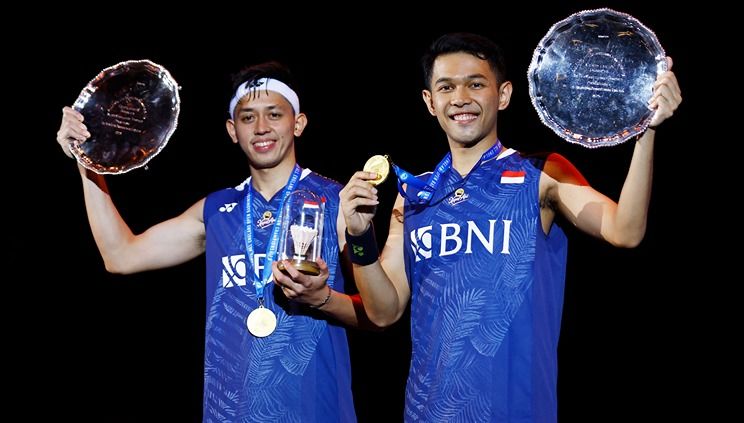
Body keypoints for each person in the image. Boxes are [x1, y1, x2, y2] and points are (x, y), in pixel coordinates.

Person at [339, 32, 681, 422]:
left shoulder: (541, 173)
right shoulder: (413, 194)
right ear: (429, 102)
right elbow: (384, 312)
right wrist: (359, 236)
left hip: (518, 410)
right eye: (446, 87)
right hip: (427, 413)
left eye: (476, 84)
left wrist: (646, 133)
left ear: (502, 95)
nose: (461, 98)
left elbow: (626, 230)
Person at [56, 61, 368, 422]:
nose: (261, 127)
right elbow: (121, 255)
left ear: (297, 123)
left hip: (316, 410)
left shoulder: (338, 203)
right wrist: (88, 160)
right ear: (232, 130)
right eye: (248, 118)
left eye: (274, 114)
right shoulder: (217, 210)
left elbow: (379, 315)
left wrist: (323, 299)